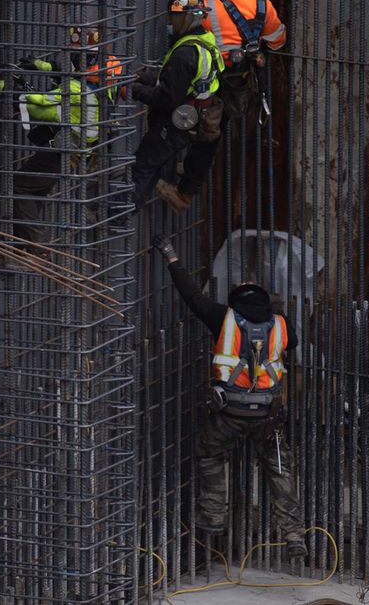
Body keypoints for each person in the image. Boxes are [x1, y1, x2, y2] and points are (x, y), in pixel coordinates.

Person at [151, 234, 306, 559]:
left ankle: (213, 517)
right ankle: (293, 535)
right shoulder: (281, 325)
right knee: (279, 468)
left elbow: (192, 296)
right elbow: (289, 343)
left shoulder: (224, 319)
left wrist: (172, 258)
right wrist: (276, 308)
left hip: (230, 414)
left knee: (209, 454)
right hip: (268, 417)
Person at [0, 26, 123, 264]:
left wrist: (4, 90)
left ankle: (35, 247)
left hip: (66, 153)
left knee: (21, 188)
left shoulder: (77, 91)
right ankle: (14, 249)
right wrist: (42, 67)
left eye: (74, 57)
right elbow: (68, 75)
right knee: (34, 193)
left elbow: (38, 106)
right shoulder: (107, 76)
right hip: (80, 152)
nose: (71, 61)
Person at [130, 0, 224, 213]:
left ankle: (117, 216)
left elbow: (166, 97)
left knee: (143, 167)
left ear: (185, 17)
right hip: (191, 117)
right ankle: (124, 213)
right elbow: (184, 82)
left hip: (174, 122)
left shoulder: (185, 53)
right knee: (151, 167)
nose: (170, 22)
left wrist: (133, 89)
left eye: (173, 17)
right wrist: (149, 78)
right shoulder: (205, 40)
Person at [203, 0, 287, 121]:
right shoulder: (263, 4)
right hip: (242, 79)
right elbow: (278, 42)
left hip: (207, 79)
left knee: (205, 128)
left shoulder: (205, 4)